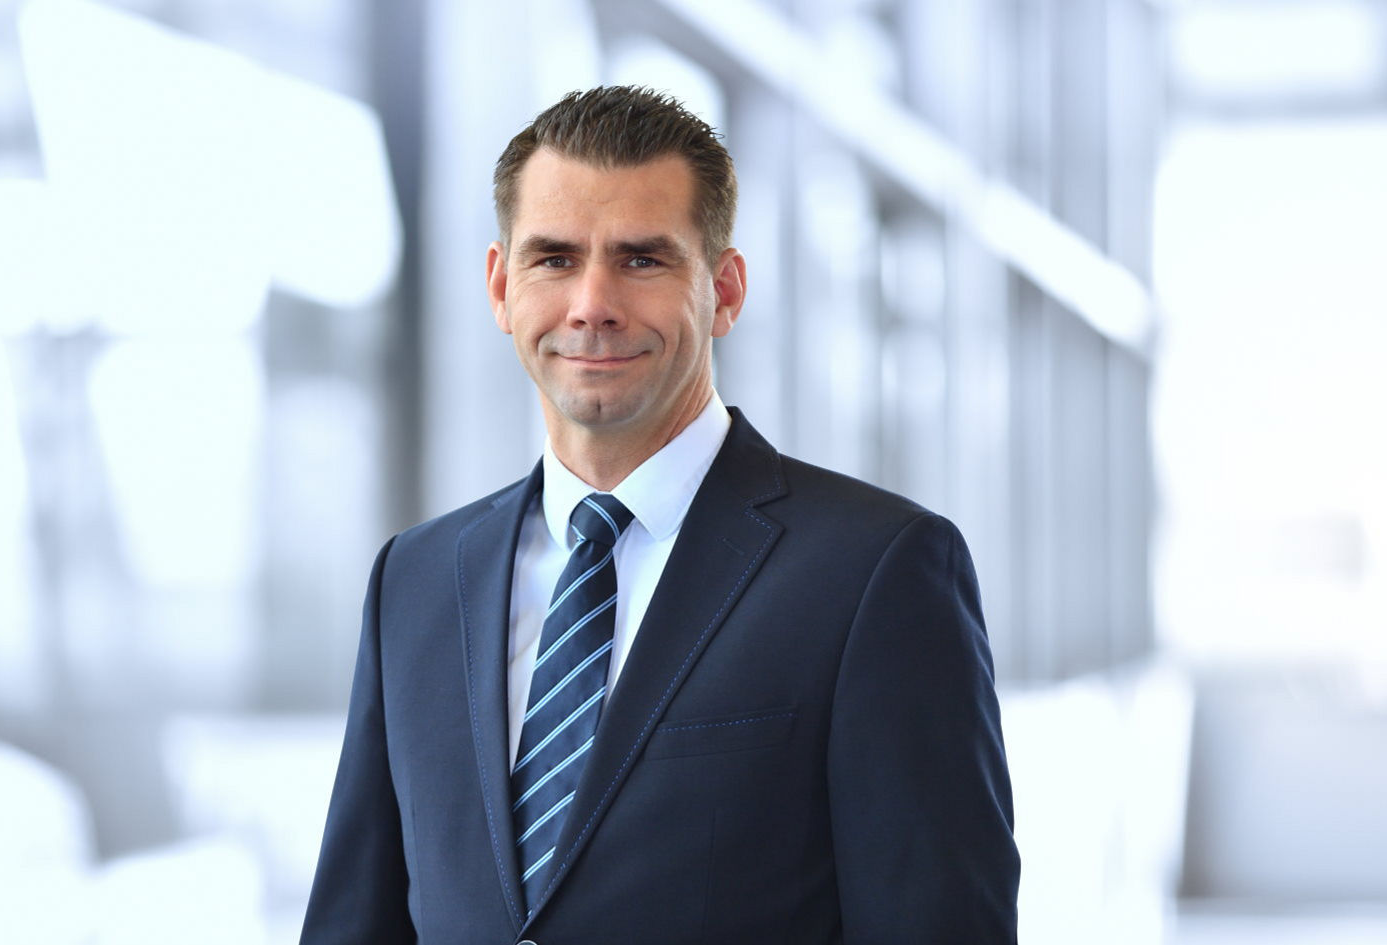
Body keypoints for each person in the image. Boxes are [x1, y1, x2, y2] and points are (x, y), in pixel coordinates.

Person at [300, 85, 1019, 945]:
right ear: (500, 286)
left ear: (725, 290)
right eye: (554, 259)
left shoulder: (877, 573)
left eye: (641, 260)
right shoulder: (415, 581)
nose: (592, 304)